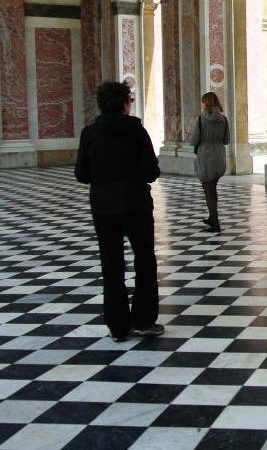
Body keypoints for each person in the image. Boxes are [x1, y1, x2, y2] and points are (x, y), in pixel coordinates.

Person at [75, 81, 163, 342]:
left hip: (103, 207)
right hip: (136, 205)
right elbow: (152, 172)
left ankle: (117, 325)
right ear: (125, 104)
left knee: (111, 264)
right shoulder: (137, 131)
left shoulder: (89, 133)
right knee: (145, 260)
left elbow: (81, 174)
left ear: (101, 104)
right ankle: (144, 319)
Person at [191, 92, 229, 232]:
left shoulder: (200, 119)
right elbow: (226, 140)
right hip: (219, 155)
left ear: (206, 103)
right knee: (213, 188)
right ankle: (212, 217)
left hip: (205, 154)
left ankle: (215, 221)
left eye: (202, 102)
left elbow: (194, 140)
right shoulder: (223, 119)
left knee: (208, 190)